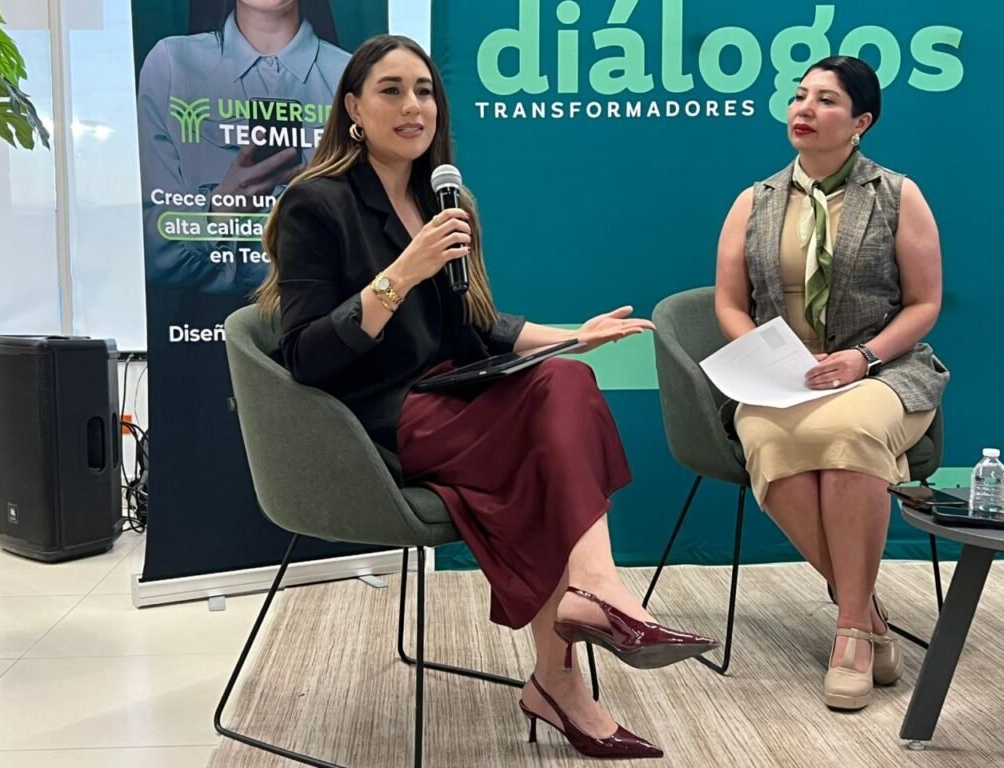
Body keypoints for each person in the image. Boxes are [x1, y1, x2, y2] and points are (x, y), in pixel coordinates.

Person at [257, 34, 716, 759]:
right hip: (376, 419)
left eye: (425, 91)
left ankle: (579, 628)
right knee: (543, 451)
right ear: (353, 109)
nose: (414, 106)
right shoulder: (316, 204)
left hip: (454, 397)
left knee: (566, 378)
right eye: (391, 90)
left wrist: (573, 335)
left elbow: (475, 325)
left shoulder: (444, 199)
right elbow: (307, 356)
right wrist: (400, 273)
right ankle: (577, 642)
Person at [714, 56, 948, 711]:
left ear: (860, 121)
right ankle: (867, 618)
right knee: (775, 440)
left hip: (883, 370)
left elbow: (925, 303)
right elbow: (729, 303)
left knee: (846, 431)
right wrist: (769, 359)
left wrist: (862, 357)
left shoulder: (898, 195)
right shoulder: (754, 201)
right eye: (799, 96)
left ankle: (848, 636)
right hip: (782, 379)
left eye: (825, 100)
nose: (804, 109)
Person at [137, 0, 351, 293]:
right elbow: (151, 250)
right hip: (201, 316)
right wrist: (220, 209)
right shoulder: (171, 63)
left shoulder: (351, 75)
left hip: (328, 309)